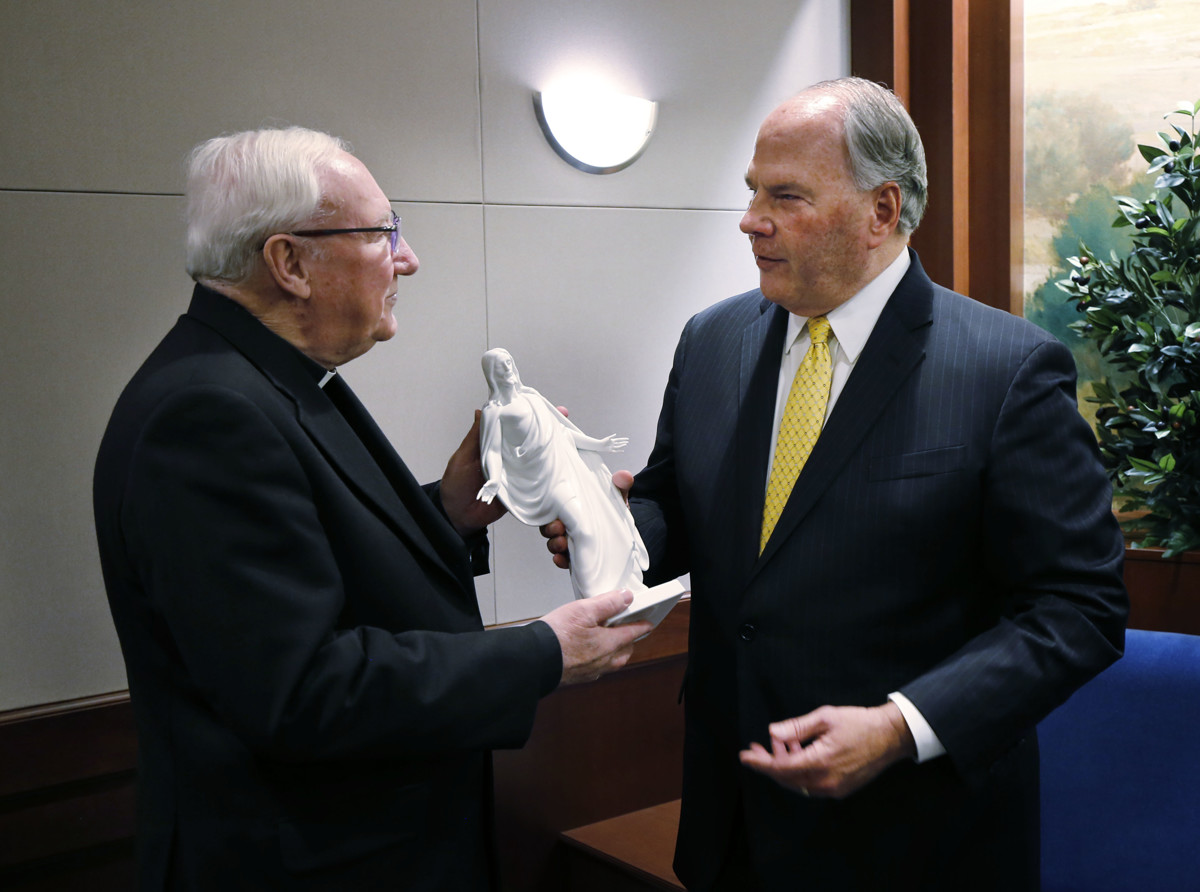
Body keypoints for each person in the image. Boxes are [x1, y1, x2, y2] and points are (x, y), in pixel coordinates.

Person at [542, 78, 1128, 890]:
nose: (751, 219)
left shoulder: (1006, 371)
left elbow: (1079, 609)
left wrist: (899, 726)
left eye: (785, 195)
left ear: (881, 212)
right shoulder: (712, 341)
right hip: (731, 820)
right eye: (752, 191)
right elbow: (675, 505)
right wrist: (611, 523)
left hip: (915, 835)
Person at [92, 126, 649, 892]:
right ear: (289, 263)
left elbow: (308, 559)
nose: (407, 257)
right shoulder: (208, 413)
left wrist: (451, 510)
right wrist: (542, 653)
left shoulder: (262, 378)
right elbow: (300, 691)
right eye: (382, 232)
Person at [477, 347, 649, 599]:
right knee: (583, 530)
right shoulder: (494, 412)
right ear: (491, 373)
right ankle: (595, 599)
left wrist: (597, 444)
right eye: (500, 365)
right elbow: (492, 449)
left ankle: (621, 588)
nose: (507, 368)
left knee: (603, 523)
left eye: (509, 362)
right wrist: (493, 478)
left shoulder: (533, 397)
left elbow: (563, 433)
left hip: (569, 467)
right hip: (546, 480)